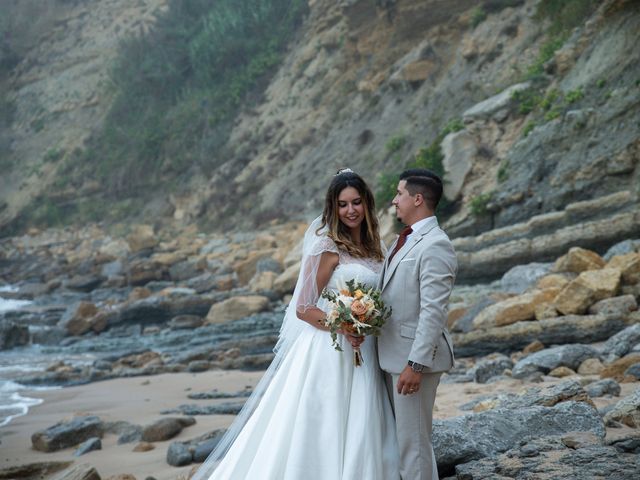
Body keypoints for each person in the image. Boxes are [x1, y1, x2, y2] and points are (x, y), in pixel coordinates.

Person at [193, 169, 399, 480]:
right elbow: (303, 307)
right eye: (342, 204)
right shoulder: (327, 246)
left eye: (356, 202)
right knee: (321, 422)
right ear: (333, 208)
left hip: (364, 349)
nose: (351, 210)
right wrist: (343, 324)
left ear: (367, 204)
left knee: (363, 419)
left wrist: (366, 323)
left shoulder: (377, 249)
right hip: (328, 350)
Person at [377, 168, 457, 480]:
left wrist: (417, 364)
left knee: (414, 447)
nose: (394, 200)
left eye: (399, 194)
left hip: (413, 363)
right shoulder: (404, 239)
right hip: (392, 357)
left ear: (418, 199)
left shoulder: (435, 244)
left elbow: (433, 311)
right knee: (404, 445)